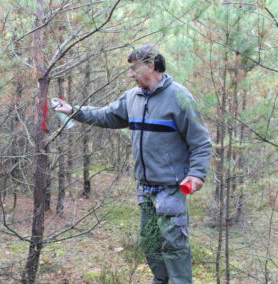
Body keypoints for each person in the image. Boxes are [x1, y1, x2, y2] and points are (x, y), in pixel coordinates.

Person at [52, 44, 212, 284]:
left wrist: (197, 174)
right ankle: (161, 280)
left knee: (175, 243)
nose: (130, 74)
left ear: (151, 65)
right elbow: (106, 115)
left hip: (171, 186)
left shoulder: (179, 97)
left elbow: (200, 141)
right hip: (145, 187)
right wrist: (74, 111)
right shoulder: (132, 97)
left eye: (134, 68)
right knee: (150, 241)